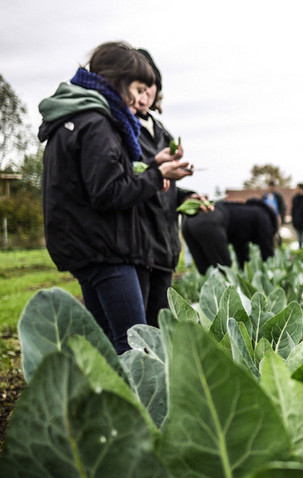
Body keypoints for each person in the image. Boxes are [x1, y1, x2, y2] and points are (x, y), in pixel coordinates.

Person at [38, 42, 191, 353]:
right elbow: (109, 191)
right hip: (106, 249)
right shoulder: (97, 122)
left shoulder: (74, 115)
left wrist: (151, 167)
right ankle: (135, 403)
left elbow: (100, 180)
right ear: (116, 79)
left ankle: (109, 399)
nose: (138, 98)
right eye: (135, 87)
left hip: (86, 246)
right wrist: (158, 174)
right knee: (133, 343)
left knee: (109, 340)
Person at [130, 48, 205, 326]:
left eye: (150, 86)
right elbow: (127, 183)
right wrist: (155, 169)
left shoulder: (163, 134)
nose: (145, 94)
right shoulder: (122, 130)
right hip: (137, 247)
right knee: (136, 332)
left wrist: (189, 198)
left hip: (165, 246)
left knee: (159, 327)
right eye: (138, 86)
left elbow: (164, 190)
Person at [181, 199, 277, 274]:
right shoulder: (263, 216)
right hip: (210, 220)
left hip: (188, 222)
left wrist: (244, 269)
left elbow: (241, 248)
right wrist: (270, 271)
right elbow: (267, 248)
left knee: (206, 270)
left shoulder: (244, 211)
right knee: (224, 269)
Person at [263, 180, 286, 246]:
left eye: (272, 186)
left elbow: (282, 208)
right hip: (267, 218)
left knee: (277, 233)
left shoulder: (278, 196)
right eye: (270, 186)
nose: (271, 188)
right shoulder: (265, 196)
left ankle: (279, 246)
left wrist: (281, 217)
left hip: (276, 217)